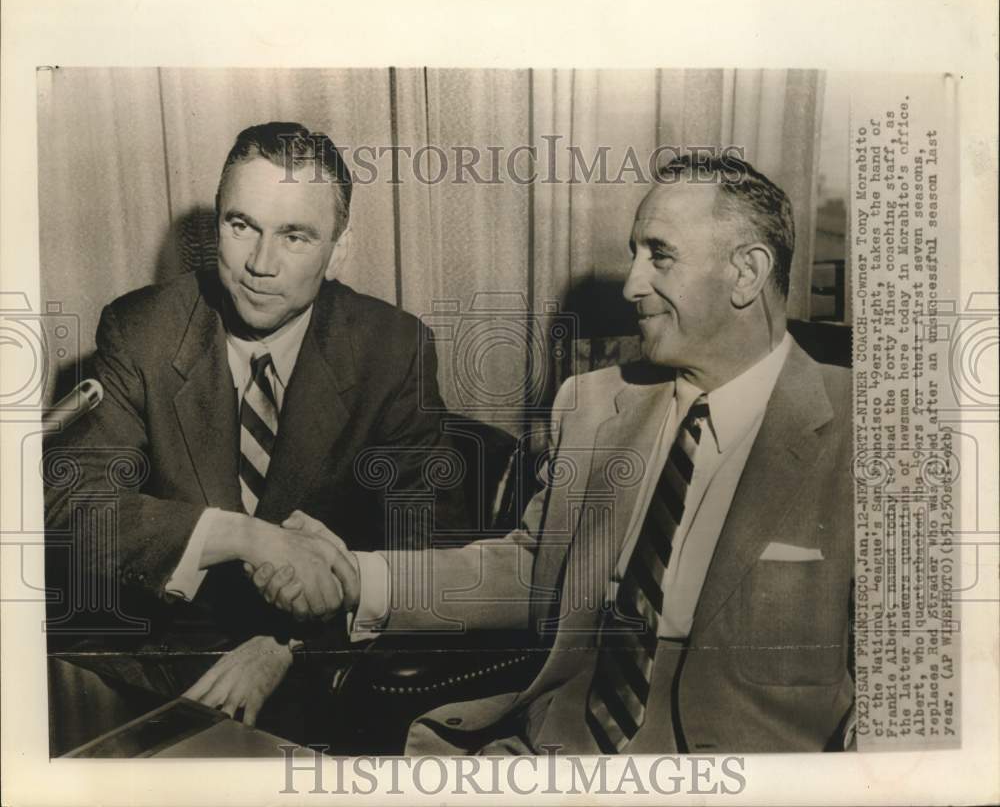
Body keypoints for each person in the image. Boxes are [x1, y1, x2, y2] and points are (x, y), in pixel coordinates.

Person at [250, 153, 855, 754]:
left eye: (659, 255)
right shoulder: (593, 404)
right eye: (634, 253)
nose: (631, 284)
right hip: (554, 754)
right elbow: (534, 572)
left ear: (747, 273)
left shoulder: (870, 430)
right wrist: (358, 576)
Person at [44, 122, 463, 726]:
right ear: (216, 223)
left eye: (295, 236)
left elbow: (428, 550)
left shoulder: (392, 348)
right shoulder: (143, 329)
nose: (260, 265)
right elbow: (68, 506)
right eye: (241, 226)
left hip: (323, 674)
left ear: (339, 248)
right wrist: (244, 535)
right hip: (155, 657)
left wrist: (287, 647)